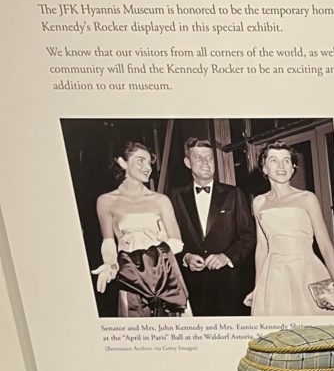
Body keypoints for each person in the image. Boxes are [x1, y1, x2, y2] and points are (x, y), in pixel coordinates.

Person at [246, 142, 334, 317]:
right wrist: (258, 288)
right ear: (264, 168)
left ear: (293, 167)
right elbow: (262, 248)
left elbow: (325, 244)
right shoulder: (258, 203)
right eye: (274, 160)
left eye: (286, 161)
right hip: (274, 275)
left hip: (306, 270)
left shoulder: (307, 198)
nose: (281, 166)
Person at [93, 141, 189, 318]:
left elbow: (177, 242)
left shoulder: (160, 200)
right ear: (122, 162)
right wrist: (111, 265)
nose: (148, 167)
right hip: (130, 277)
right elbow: (108, 242)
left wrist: (159, 246)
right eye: (140, 161)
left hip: (164, 275)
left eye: (149, 162)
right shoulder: (106, 201)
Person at [169, 136, 256, 316]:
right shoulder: (175, 196)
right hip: (192, 287)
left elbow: (249, 236)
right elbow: (171, 239)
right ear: (187, 162)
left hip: (230, 286)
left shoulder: (234, 193)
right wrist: (186, 258)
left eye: (209, 158)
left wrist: (226, 257)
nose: (206, 163)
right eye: (198, 158)